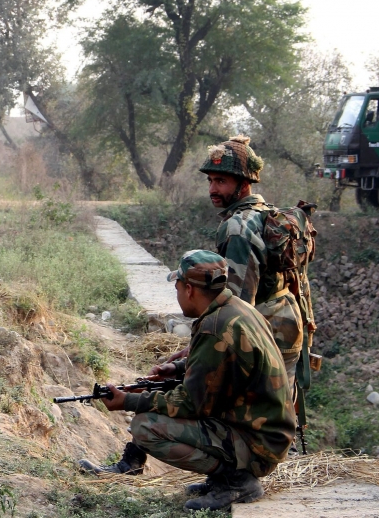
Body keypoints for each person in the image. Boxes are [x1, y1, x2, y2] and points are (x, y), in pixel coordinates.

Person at [80, 250, 295, 511]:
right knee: (159, 405)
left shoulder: (215, 327)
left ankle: (236, 480)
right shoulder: (236, 309)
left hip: (258, 446)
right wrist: (179, 367)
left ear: (190, 289)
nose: (178, 293)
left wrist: (131, 401)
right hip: (262, 433)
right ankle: (210, 476)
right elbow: (222, 364)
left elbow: (191, 404)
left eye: (178, 286)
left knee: (145, 426)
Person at [199, 135, 305, 390]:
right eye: (210, 181)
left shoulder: (238, 228)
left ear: (244, 184)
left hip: (267, 334)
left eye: (221, 181)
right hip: (285, 324)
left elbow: (237, 307)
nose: (213, 189)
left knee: (261, 420)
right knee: (281, 413)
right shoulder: (265, 212)